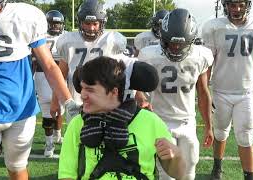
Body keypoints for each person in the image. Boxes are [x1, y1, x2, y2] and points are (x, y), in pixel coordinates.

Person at [0, 0, 77, 179]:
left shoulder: (23, 17)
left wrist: (68, 101)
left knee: (16, 168)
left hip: (21, 113)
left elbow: (49, 65)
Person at [58, 56, 186, 180]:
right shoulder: (77, 124)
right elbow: (66, 175)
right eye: (82, 88)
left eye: (90, 90)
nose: (83, 95)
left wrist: (176, 155)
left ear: (114, 92)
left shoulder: (150, 121)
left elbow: (178, 174)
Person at [138, 8, 214, 180]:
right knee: (167, 173)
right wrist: (142, 98)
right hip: (159, 120)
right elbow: (137, 87)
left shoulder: (200, 56)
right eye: (171, 43)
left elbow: (203, 92)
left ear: (191, 41)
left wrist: (209, 125)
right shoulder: (149, 55)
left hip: (187, 120)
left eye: (181, 44)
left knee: (190, 168)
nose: (176, 48)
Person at [201, 0, 253, 179]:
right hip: (220, 92)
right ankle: (217, 167)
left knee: (246, 137)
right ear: (226, 6)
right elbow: (208, 64)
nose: (237, 9)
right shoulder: (215, 27)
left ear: (247, 4)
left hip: (246, 93)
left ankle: (249, 176)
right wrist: (205, 92)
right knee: (220, 132)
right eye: (233, 5)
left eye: (240, 4)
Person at [51, 0, 128, 118]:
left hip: (105, 102)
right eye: (87, 23)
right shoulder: (68, 41)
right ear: (80, 22)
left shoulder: (112, 40)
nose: (91, 28)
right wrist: (55, 101)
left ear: (102, 23)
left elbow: (123, 73)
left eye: (95, 23)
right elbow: (61, 74)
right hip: (77, 102)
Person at [33, 10, 67, 158]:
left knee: (62, 108)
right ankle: (49, 143)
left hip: (62, 74)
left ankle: (58, 135)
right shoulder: (39, 36)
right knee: (48, 110)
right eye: (52, 23)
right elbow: (34, 61)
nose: (54, 26)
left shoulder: (67, 37)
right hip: (43, 75)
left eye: (57, 23)